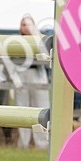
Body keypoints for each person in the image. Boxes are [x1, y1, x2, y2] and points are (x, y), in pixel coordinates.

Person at [9, 15, 49, 149]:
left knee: (41, 105)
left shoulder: (40, 38)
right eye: (23, 24)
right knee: (22, 107)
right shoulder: (15, 41)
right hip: (21, 74)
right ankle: (23, 143)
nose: (25, 27)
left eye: (28, 24)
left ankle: (42, 143)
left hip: (37, 73)